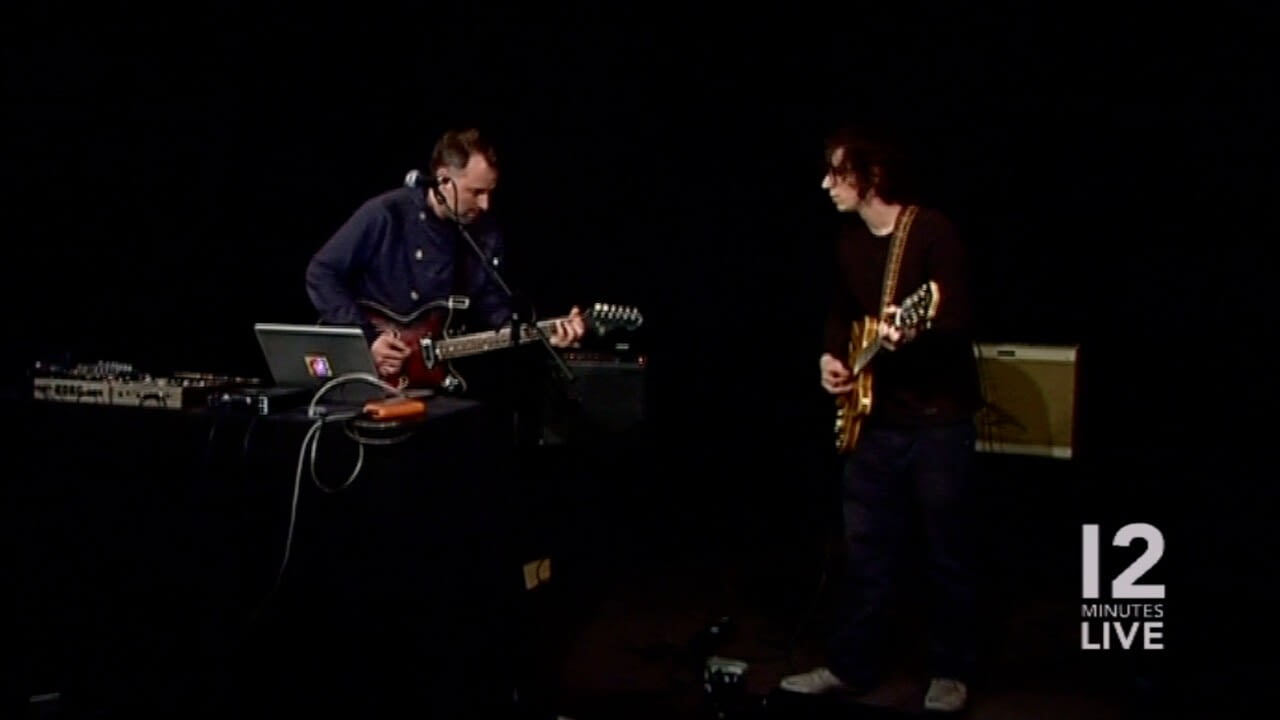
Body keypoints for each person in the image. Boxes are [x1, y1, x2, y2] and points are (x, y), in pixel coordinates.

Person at [778, 125, 984, 713]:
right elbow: (841, 312)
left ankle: (951, 671)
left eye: (837, 173)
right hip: (875, 423)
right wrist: (831, 358)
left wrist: (914, 334)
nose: (826, 184)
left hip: (938, 421)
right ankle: (851, 666)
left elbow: (957, 317)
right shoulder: (848, 242)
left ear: (870, 176)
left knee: (945, 553)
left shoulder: (933, 232)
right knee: (864, 554)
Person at [304, 127, 585, 389]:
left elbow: (494, 311)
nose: (485, 204)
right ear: (443, 180)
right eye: (476, 192)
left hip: (436, 384)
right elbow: (322, 272)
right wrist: (367, 339)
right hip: (370, 376)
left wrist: (547, 333)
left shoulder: (485, 235)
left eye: (490, 192)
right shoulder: (387, 213)